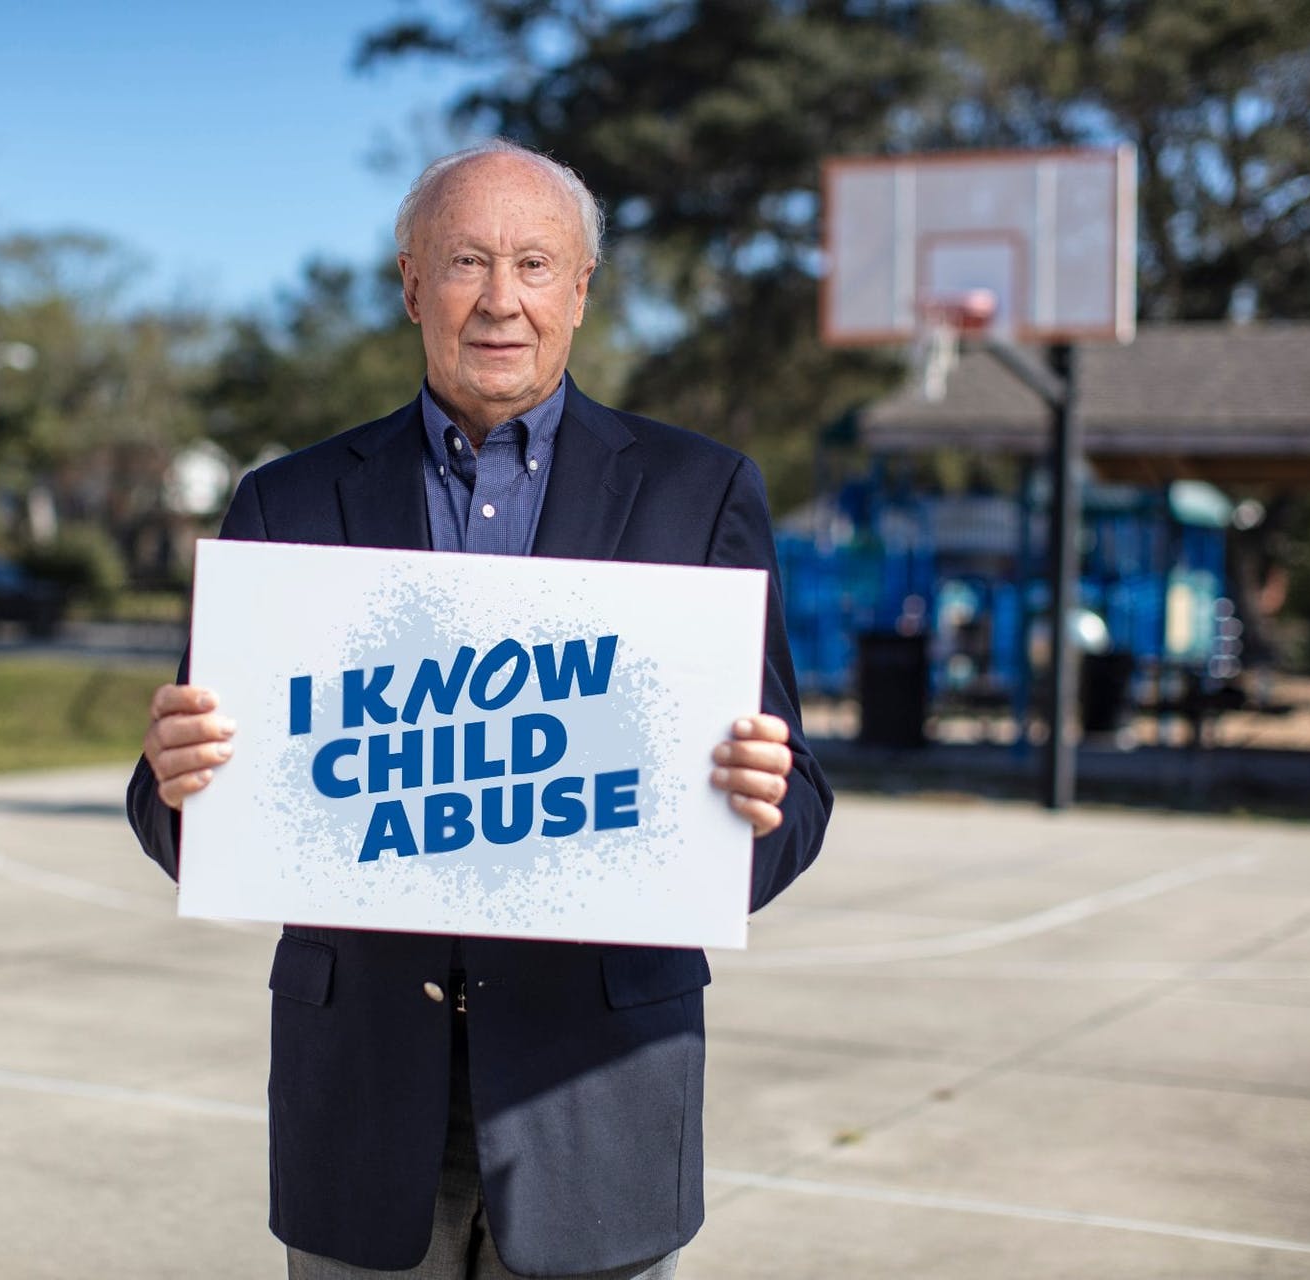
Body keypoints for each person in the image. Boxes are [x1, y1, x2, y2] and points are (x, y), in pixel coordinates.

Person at [128, 139, 832, 1280]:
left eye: (535, 265)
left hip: (595, 1091)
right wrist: (176, 782)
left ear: (582, 293)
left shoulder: (700, 493)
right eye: (466, 261)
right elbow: (186, 821)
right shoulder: (289, 502)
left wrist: (752, 812)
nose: (502, 299)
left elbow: (797, 799)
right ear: (411, 285)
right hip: (362, 1095)